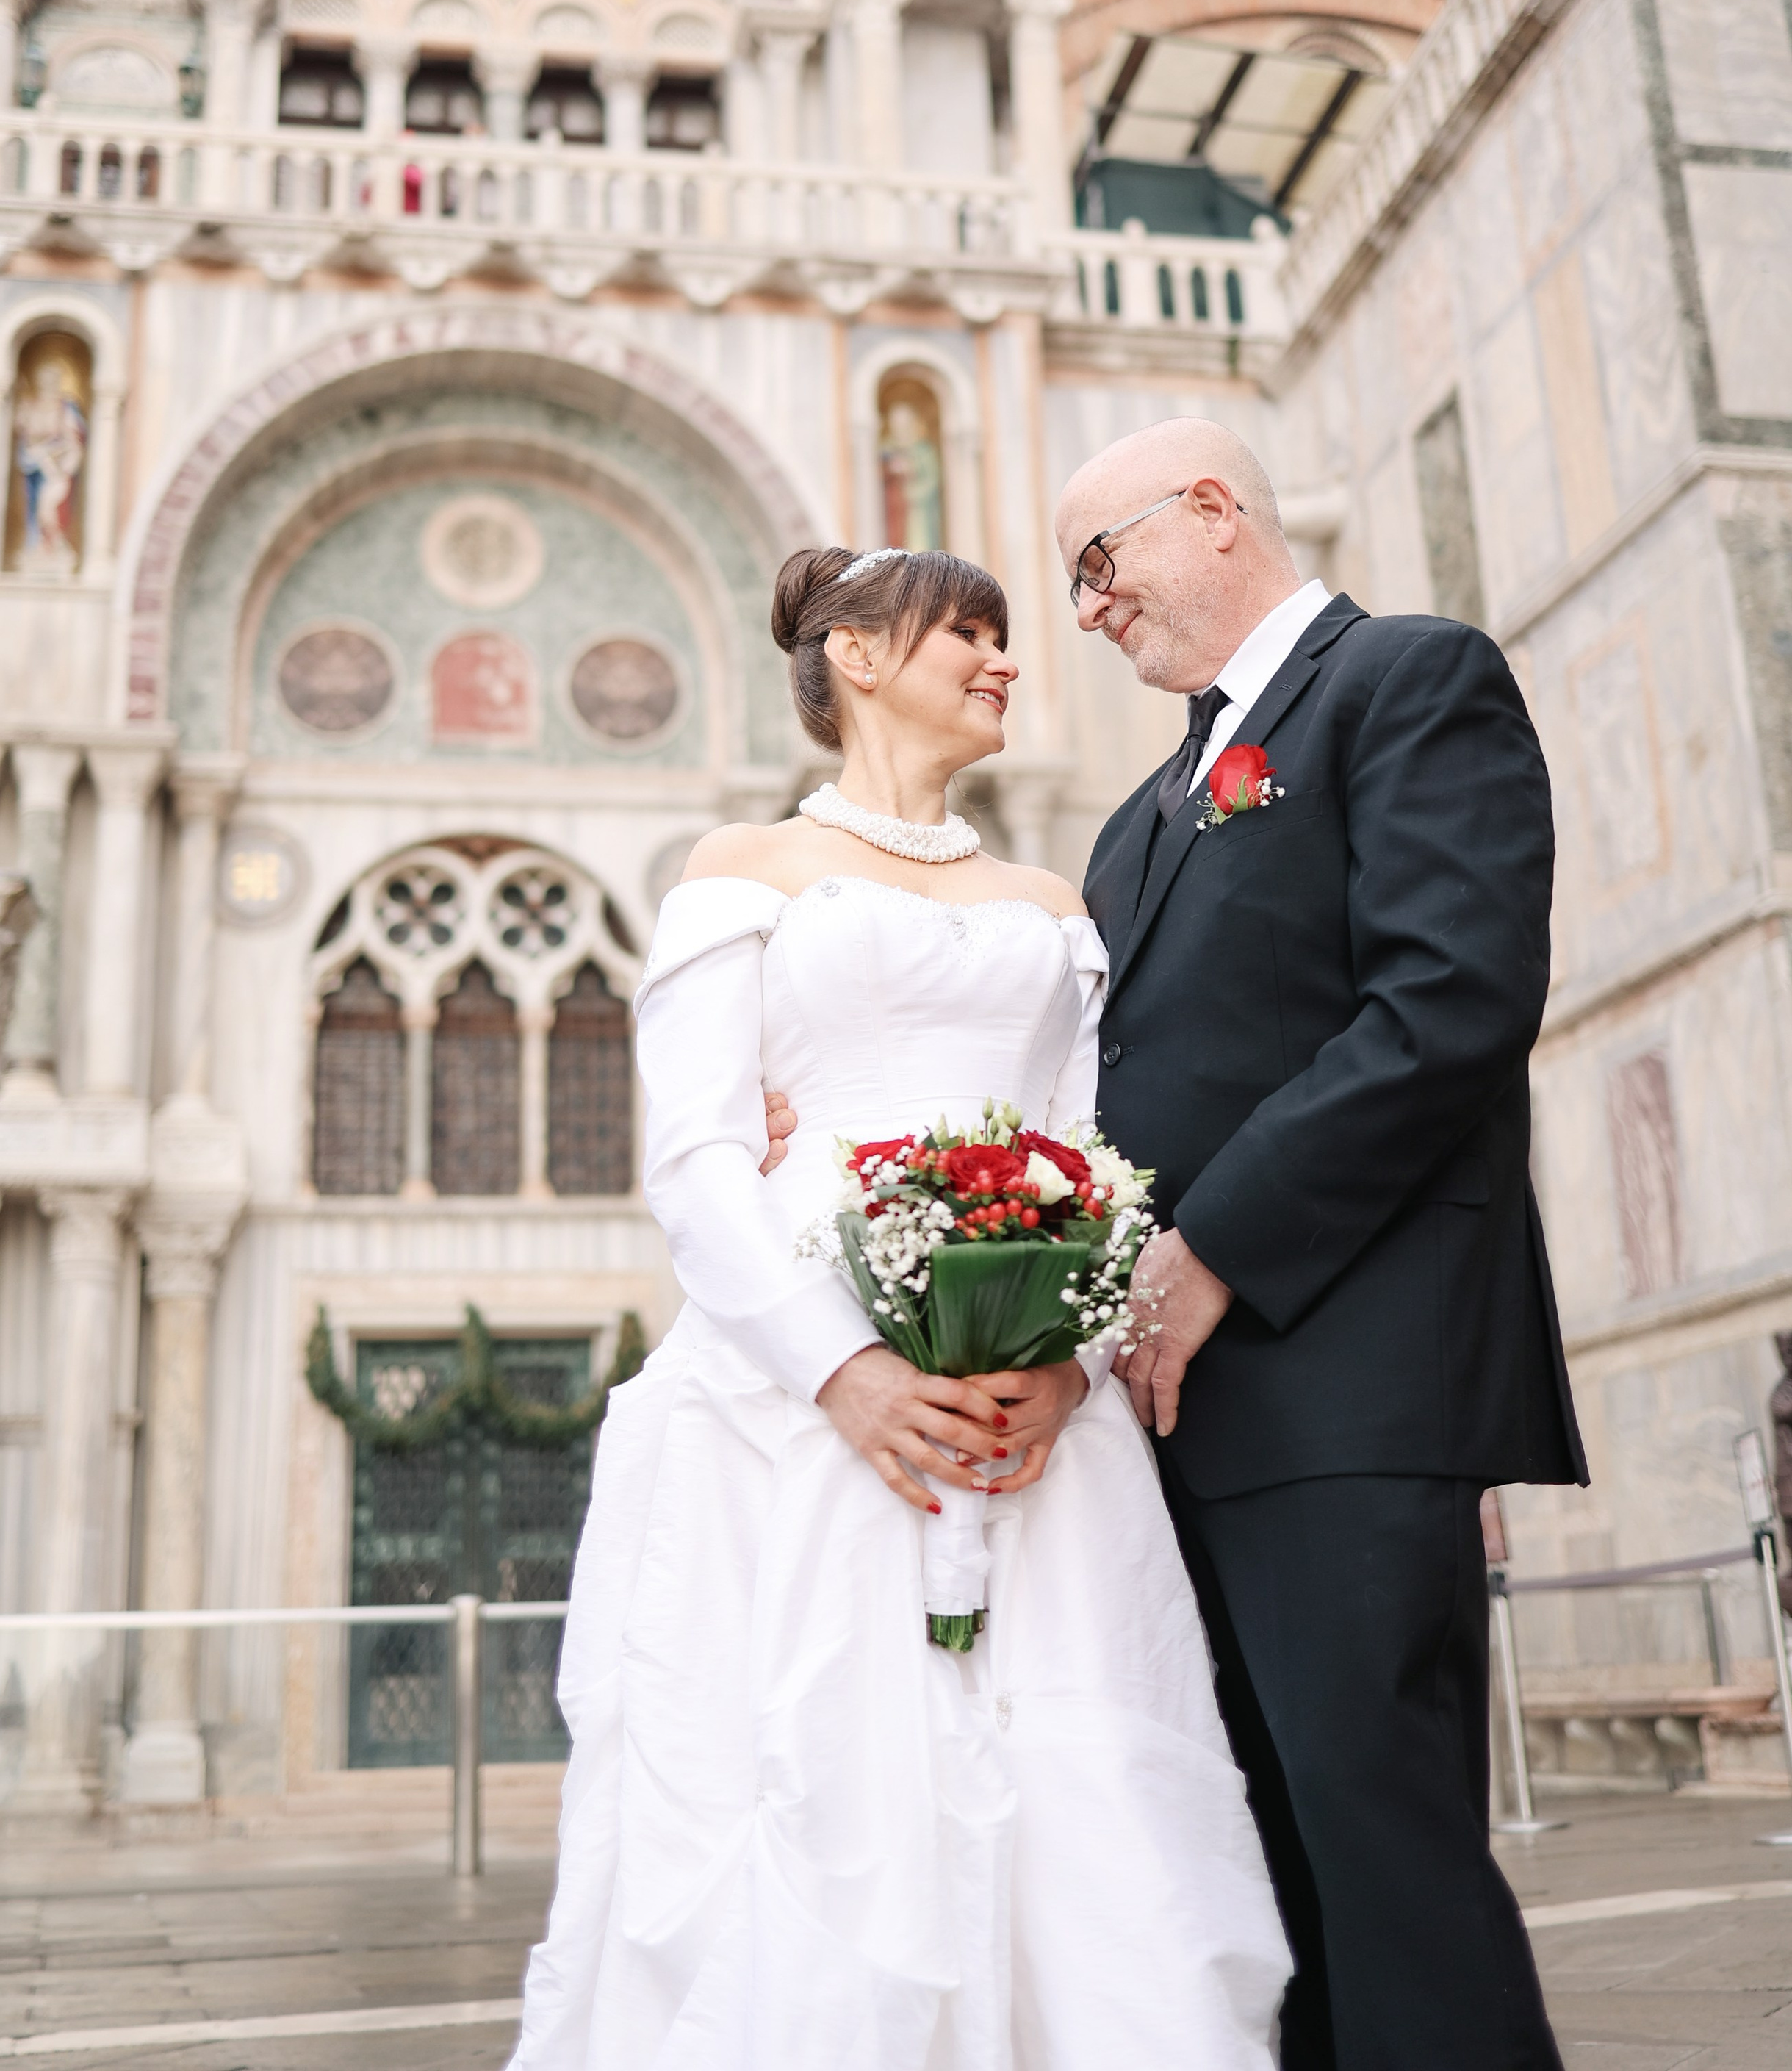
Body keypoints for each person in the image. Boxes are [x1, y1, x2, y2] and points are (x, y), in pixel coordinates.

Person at [505, 541, 1288, 2070]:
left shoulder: (1050, 901)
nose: (1005, 660)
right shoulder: (739, 871)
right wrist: (842, 1371)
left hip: (1027, 1404)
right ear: (855, 657)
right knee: (818, 1769)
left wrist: (1061, 1364)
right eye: (970, 634)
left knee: (1076, 1769)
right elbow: (694, 1158)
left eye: (1006, 640)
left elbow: (1084, 1157)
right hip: (793, 1384)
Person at [1054, 418, 1586, 2071]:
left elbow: (1447, 1003)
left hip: (1351, 1386)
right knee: (1256, 1867)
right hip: (1178, 1424)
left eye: (1097, 562)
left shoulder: (1406, 681)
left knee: (1378, 1853)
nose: (1084, 610)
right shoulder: (1134, 817)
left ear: (1210, 513)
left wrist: (1211, 1246)